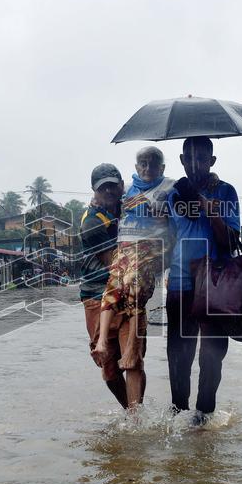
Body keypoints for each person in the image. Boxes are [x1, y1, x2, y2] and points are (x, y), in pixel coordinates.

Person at [166, 136, 241, 425]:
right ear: (182, 160)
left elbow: (230, 241)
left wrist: (207, 207)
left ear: (212, 161)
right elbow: (167, 240)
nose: (195, 164)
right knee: (179, 356)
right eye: (190, 158)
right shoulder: (173, 195)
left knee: (212, 355)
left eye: (201, 158)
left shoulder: (226, 192)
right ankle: (178, 416)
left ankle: (203, 418)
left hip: (216, 285)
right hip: (180, 284)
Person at [93, 147, 175, 410]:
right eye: (143, 163)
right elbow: (103, 199)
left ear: (162, 168)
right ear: (136, 166)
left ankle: (130, 349)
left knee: (134, 280)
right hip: (126, 249)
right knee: (114, 285)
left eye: (153, 164)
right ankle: (102, 342)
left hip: (153, 248)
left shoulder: (170, 188)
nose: (147, 168)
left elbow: (187, 206)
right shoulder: (126, 189)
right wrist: (94, 200)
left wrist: (164, 214)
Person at [79, 163, 145, 409]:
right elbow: (114, 266)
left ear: (121, 186)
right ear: (94, 191)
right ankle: (130, 411)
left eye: (112, 186)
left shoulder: (130, 207)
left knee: (133, 358)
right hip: (98, 293)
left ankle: (136, 419)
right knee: (108, 367)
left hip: (129, 291)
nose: (108, 191)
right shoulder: (92, 222)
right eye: (102, 188)